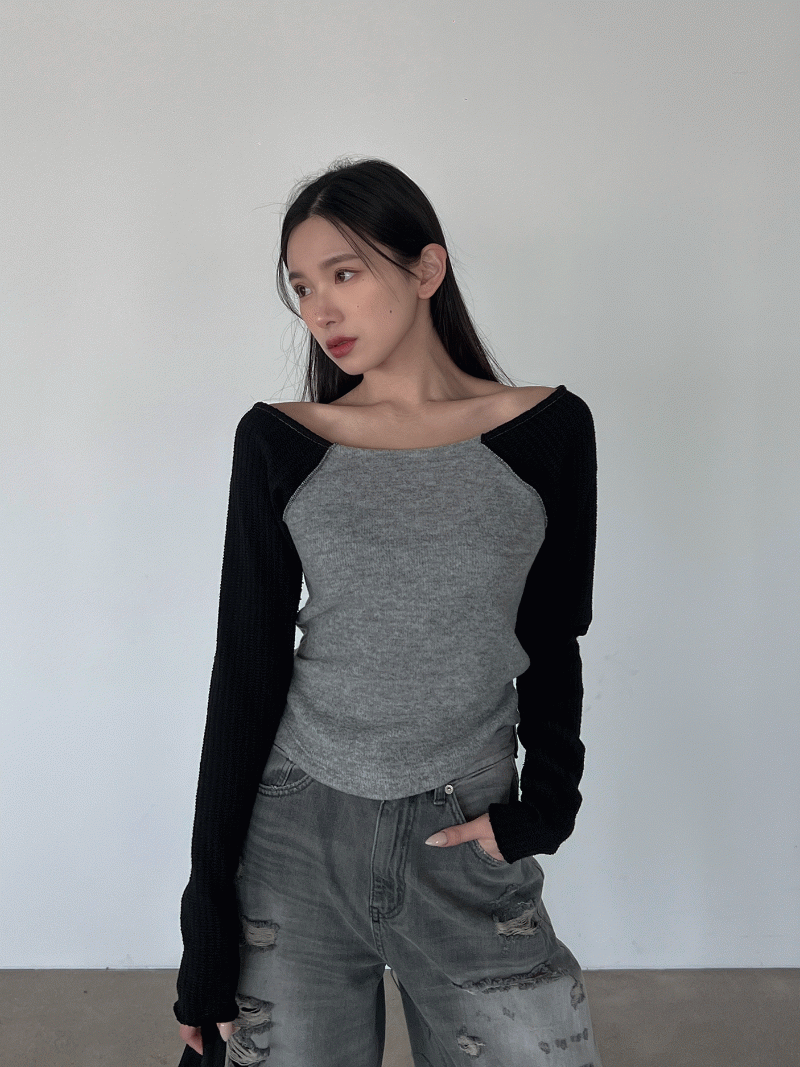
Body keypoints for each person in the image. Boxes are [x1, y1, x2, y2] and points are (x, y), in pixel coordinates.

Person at [174, 158, 602, 1066]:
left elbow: (554, 632)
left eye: (344, 273)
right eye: (301, 286)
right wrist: (205, 921)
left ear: (426, 268)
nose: (321, 310)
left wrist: (546, 808)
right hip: (295, 831)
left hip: (464, 829)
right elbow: (245, 673)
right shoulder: (282, 442)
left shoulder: (547, 432)